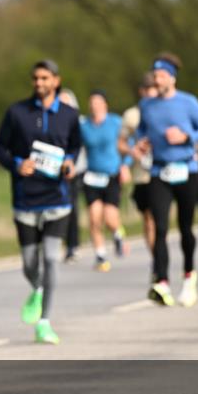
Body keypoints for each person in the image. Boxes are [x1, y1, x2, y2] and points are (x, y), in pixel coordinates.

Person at [0, 60, 80, 345]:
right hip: (25, 198)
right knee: (30, 263)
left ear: (56, 80)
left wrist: (70, 162)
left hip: (57, 198)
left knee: (52, 259)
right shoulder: (17, 112)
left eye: (45, 78)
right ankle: (38, 288)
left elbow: (75, 146)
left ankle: (44, 322)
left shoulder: (69, 114)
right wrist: (17, 164)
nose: (39, 83)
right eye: (35, 78)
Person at [131, 53, 198, 307]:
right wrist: (140, 144)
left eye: (161, 75)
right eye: (154, 75)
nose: (157, 79)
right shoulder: (147, 106)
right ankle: (162, 281)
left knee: (186, 227)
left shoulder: (189, 102)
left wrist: (185, 136)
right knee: (160, 227)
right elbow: (141, 132)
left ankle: (189, 277)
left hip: (187, 170)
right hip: (159, 172)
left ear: (172, 77)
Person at [78, 89, 130, 272]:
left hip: (112, 174)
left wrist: (126, 165)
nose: (94, 106)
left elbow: (127, 146)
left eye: (98, 102)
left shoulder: (115, 122)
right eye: (91, 103)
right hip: (92, 176)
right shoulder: (84, 126)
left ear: (105, 104)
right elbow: (76, 147)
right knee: (94, 217)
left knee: (110, 217)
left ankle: (117, 233)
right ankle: (100, 256)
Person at [119, 73, 159, 254]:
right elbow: (120, 143)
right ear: (141, 91)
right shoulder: (131, 115)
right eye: (148, 89)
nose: (151, 93)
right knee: (149, 219)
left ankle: (161, 259)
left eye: (154, 89)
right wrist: (131, 151)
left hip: (164, 171)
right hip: (141, 174)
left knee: (160, 219)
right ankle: (156, 262)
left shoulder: (168, 109)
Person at [58, 88, 85, 262]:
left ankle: (72, 246)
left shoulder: (80, 123)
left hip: (76, 171)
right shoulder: (53, 121)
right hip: (54, 171)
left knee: (72, 208)